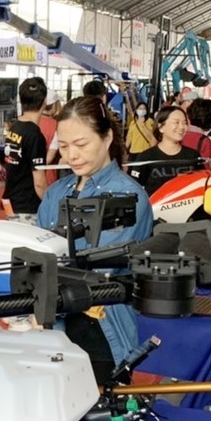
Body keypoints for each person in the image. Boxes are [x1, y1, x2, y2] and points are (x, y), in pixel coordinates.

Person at [36, 97, 152, 376]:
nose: (71, 155)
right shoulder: (56, 192)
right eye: (64, 146)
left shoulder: (129, 197)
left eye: (81, 144)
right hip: (52, 328)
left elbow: (98, 273)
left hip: (103, 328)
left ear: (107, 137)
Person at [2, 78, 49, 220]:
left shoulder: (14, 127)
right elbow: (39, 182)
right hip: (27, 206)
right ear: (44, 102)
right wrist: (50, 204)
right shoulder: (35, 135)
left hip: (11, 201)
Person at [130, 105, 200, 195]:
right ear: (161, 127)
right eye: (176, 122)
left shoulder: (193, 156)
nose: (182, 127)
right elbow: (135, 190)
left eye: (184, 123)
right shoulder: (145, 158)